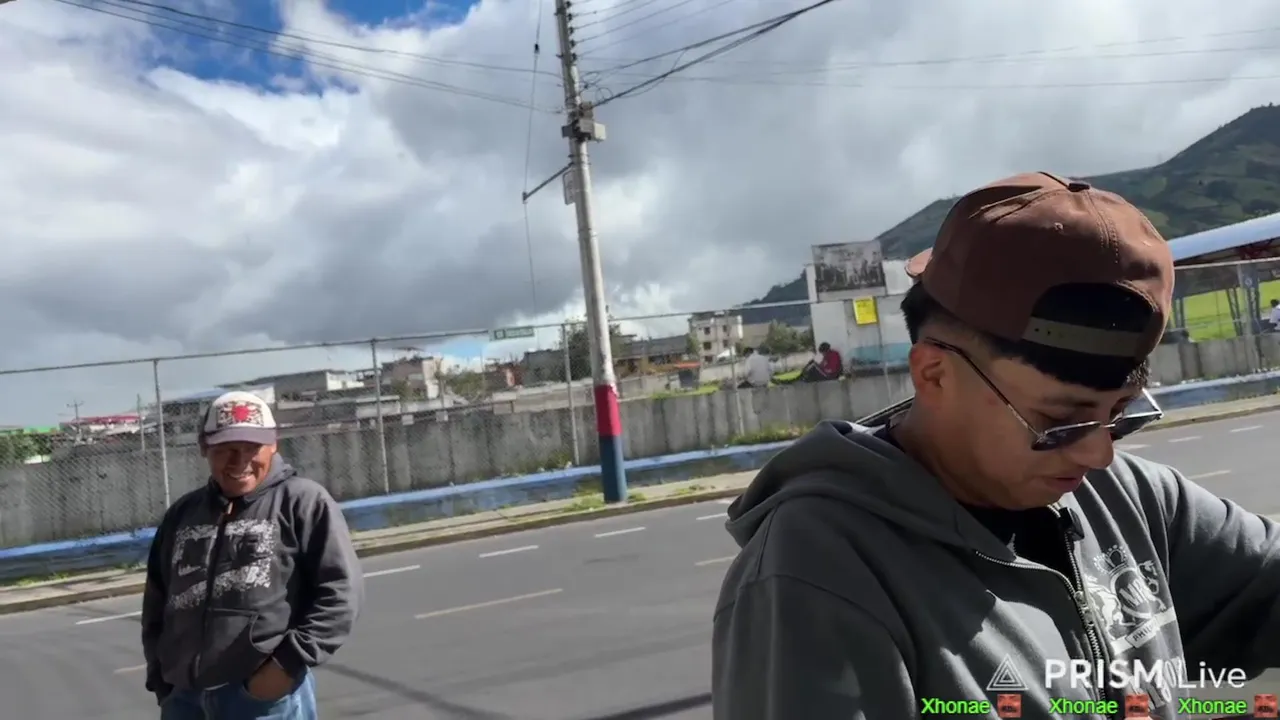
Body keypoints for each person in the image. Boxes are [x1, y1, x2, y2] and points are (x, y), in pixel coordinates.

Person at [711, 172, 1280, 719]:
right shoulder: (817, 576)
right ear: (934, 374)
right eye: (1059, 421)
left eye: (1118, 416)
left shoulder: (1131, 498)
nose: (1098, 455)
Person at [141, 391, 364, 720]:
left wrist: (283, 669)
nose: (240, 461)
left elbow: (341, 593)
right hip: (184, 701)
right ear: (204, 447)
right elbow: (157, 601)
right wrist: (161, 678)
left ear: (273, 445)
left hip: (262, 701)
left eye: (252, 448)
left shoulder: (302, 502)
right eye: (225, 449)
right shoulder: (183, 514)